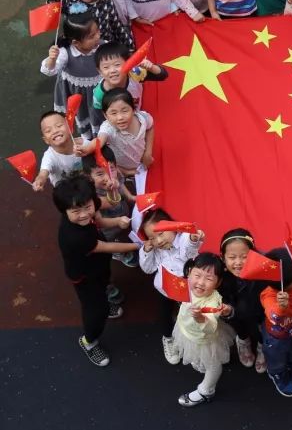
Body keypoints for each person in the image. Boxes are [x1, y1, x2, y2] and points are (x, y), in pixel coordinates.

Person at [52, 174, 136, 366]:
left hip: (97, 262)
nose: (84, 214)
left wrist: (113, 191)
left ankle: (105, 303)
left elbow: (109, 204)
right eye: (76, 211)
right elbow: (107, 247)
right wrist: (139, 245)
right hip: (84, 275)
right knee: (95, 311)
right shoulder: (74, 236)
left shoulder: (87, 203)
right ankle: (89, 341)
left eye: (87, 207)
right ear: (64, 210)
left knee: (104, 281)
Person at [139, 207, 204, 365]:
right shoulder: (155, 249)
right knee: (164, 314)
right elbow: (148, 269)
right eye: (152, 238)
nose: (158, 241)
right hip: (165, 289)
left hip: (189, 288)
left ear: (173, 226)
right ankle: (168, 338)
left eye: (161, 233)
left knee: (192, 316)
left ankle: (193, 345)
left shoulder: (183, 238)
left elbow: (189, 252)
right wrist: (146, 251)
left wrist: (193, 239)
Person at [173, 253, 235, 407]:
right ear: (189, 273)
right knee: (197, 355)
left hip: (206, 340)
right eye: (197, 275)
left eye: (209, 279)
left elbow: (211, 326)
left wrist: (200, 318)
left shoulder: (214, 301)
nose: (201, 283)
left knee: (213, 365)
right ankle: (200, 363)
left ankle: (206, 390)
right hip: (187, 330)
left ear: (218, 282)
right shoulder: (185, 286)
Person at [40, 5, 104, 139]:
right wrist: (52, 59)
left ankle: (102, 135)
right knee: (82, 114)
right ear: (76, 42)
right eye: (92, 36)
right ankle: (87, 138)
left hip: (98, 91)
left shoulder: (103, 47)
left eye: (98, 31)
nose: (98, 36)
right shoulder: (65, 53)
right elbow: (49, 70)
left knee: (99, 114)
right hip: (77, 93)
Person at [79, 89, 154, 200]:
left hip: (143, 163)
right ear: (105, 115)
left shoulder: (143, 118)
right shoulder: (107, 128)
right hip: (120, 170)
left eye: (125, 111)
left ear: (134, 109)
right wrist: (86, 149)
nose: (120, 117)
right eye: (113, 113)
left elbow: (150, 127)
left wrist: (148, 152)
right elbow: (99, 141)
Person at [259, 248, 292, 398]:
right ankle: (277, 373)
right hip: (277, 336)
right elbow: (274, 315)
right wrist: (281, 308)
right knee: (277, 357)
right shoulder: (269, 295)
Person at [218, 228, 267, 373]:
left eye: (244, 256)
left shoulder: (264, 269)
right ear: (223, 258)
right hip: (234, 313)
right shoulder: (219, 274)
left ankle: (262, 345)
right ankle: (243, 340)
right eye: (232, 257)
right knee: (235, 318)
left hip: (260, 312)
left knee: (263, 328)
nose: (238, 262)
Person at [82, 145, 137, 269]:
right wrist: (118, 221)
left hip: (122, 214)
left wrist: (130, 197)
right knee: (112, 241)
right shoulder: (89, 195)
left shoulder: (116, 175)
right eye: (100, 174)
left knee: (125, 231)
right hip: (108, 230)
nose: (107, 177)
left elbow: (121, 185)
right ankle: (118, 254)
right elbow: (100, 220)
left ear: (116, 167)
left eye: (111, 169)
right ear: (88, 177)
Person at [92, 41, 168, 113]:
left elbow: (163, 75)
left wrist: (151, 67)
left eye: (117, 65)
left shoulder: (135, 73)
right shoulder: (99, 95)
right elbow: (98, 115)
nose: (112, 70)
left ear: (128, 63)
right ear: (99, 71)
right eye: (106, 67)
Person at [33, 111, 83, 190]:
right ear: (46, 140)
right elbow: (43, 173)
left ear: (70, 128)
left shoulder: (85, 143)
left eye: (59, 126)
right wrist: (39, 181)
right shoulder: (49, 157)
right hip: (65, 191)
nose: (55, 131)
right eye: (48, 131)